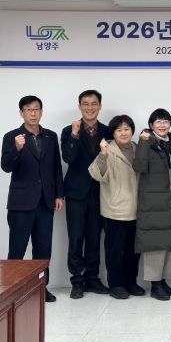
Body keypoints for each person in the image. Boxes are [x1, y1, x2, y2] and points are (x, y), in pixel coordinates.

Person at [1, 95, 64, 303]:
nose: (33, 113)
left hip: (46, 201)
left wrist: (58, 194)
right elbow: (6, 166)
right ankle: (11, 292)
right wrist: (16, 149)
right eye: (28, 109)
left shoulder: (50, 136)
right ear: (21, 113)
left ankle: (41, 289)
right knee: (17, 249)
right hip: (21, 202)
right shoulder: (11, 136)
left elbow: (56, 168)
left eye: (36, 109)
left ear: (41, 112)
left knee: (43, 249)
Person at [61, 90, 112, 299]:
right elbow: (68, 158)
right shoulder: (68, 130)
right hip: (76, 193)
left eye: (94, 103)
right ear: (79, 106)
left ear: (100, 106)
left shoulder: (108, 131)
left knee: (94, 237)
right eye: (85, 104)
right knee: (75, 238)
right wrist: (74, 135)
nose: (90, 107)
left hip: (100, 192)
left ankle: (92, 278)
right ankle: (77, 280)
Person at [89, 115, 144, 300]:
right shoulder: (108, 149)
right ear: (113, 133)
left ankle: (131, 282)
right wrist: (103, 154)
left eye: (126, 129)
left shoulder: (137, 148)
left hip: (136, 209)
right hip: (115, 210)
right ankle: (116, 284)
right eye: (119, 130)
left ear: (132, 131)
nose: (123, 133)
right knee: (114, 250)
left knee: (133, 250)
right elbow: (96, 174)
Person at [133, 108, 171, 301]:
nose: (162, 125)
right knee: (155, 243)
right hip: (153, 201)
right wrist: (144, 143)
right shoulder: (147, 142)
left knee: (168, 243)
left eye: (166, 121)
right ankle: (154, 285)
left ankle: (162, 281)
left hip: (170, 200)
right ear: (151, 125)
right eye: (158, 122)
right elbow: (139, 166)